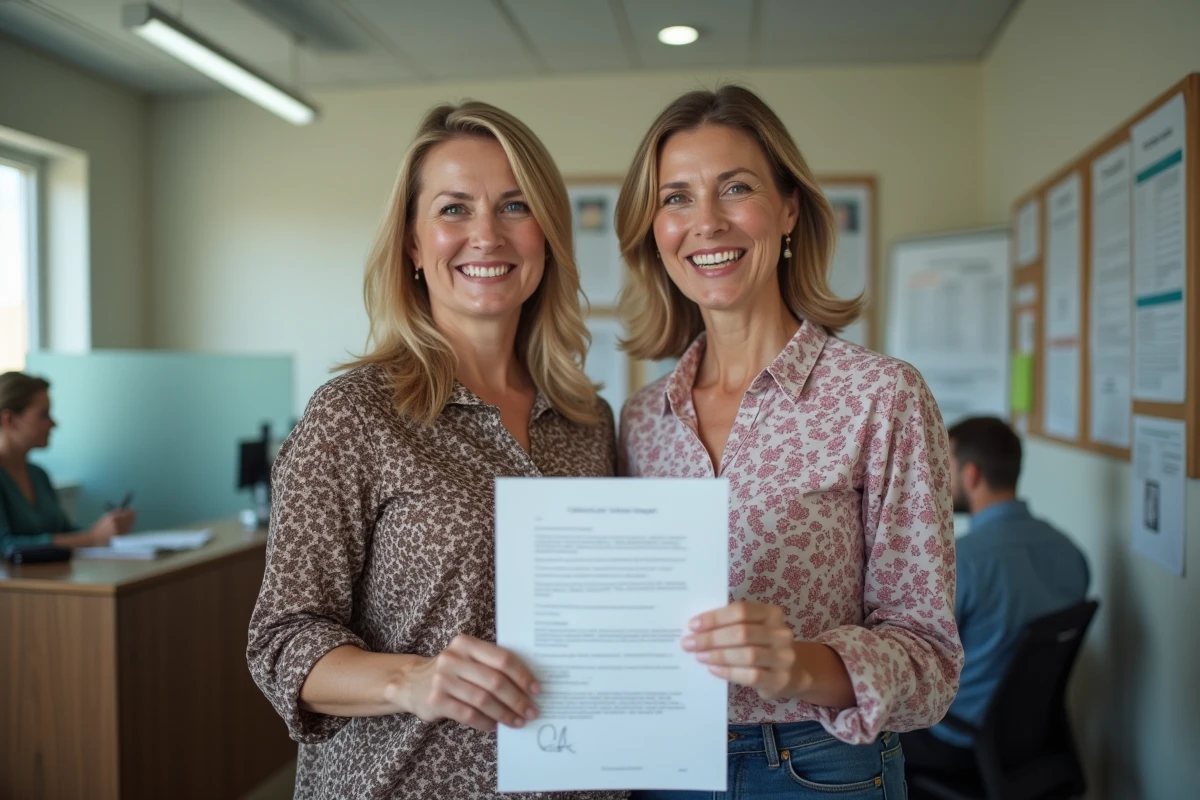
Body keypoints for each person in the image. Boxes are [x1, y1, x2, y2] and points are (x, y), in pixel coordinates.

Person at [246, 102, 622, 800]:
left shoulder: (588, 421)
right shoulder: (354, 415)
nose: (486, 234)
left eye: (514, 205)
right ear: (414, 245)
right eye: (454, 209)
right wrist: (412, 679)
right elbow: (282, 641)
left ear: (547, 234)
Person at [615, 86, 963, 799]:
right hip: (659, 764)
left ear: (789, 209)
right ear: (654, 230)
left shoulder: (881, 395)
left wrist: (800, 666)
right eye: (676, 198)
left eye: (735, 188)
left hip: (819, 767)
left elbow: (930, 664)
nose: (705, 222)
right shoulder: (641, 419)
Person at [900, 416, 1090, 773]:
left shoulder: (961, 564)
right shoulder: (1072, 554)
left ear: (971, 475)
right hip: (1034, 738)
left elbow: (915, 663)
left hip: (958, 741)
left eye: (946, 466)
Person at [0, 371, 135, 554]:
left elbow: (64, 532)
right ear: (8, 419)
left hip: (55, 580)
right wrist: (92, 538)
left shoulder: (38, 475)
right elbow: (5, 546)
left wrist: (105, 530)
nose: (54, 423)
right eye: (43, 415)